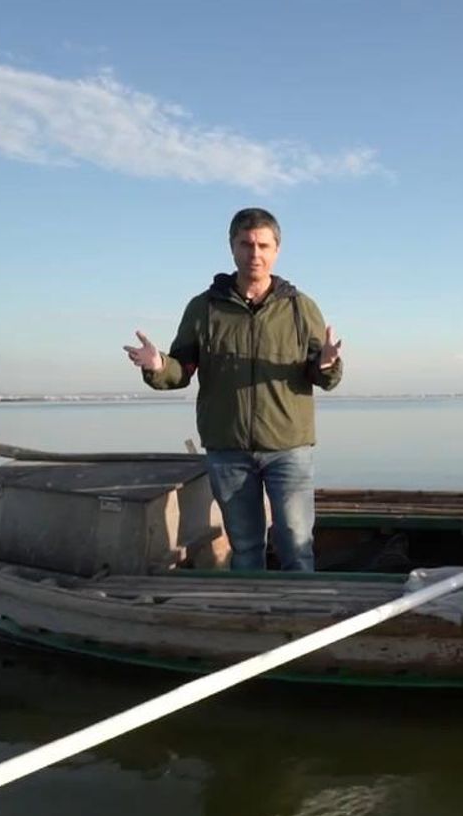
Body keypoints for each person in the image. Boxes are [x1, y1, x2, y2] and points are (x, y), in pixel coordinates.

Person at [124, 207, 343, 571]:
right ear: (232, 247)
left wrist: (326, 364)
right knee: (244, 547)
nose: (254, 253)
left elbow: (322, 375)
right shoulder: (204, 308)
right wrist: (159, 365)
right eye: (245, 244)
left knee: (297, 544)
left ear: (276, 250)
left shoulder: (300, 308)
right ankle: (251, 615)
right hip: (227, 449)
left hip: (288, 448)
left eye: (262, 245)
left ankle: (300, 617)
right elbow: (183, 370)